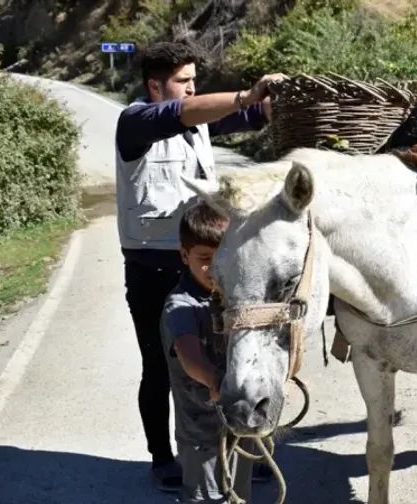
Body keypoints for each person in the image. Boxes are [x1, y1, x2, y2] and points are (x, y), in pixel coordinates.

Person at [114, 41, 284, 491]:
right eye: (183, 81)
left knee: (231, 359)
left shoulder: (197, 122)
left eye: (194, 81)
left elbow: (251, 115)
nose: (192, 89)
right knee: (161, 368)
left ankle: (244, 449)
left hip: (208, 266)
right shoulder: (134, 123)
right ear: (155, 85)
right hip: (153, 271)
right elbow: (187, 113)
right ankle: (162, 459)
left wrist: (275, 101)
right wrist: (246, 96)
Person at [161, 201, 254, 504]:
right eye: (205, 258)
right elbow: (189, 355)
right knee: (207, 497)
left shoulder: (240, 295)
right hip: (201, 431)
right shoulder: (181, 305)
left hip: (241, 420)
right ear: (184, 255)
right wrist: (215, 380)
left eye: (223, 257)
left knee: (240, 494)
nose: (215, 268)